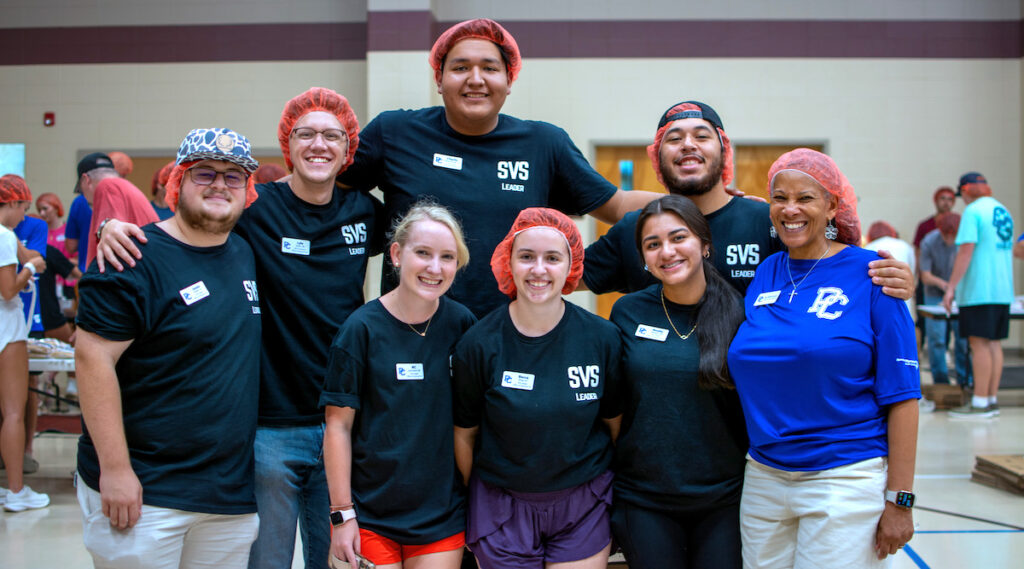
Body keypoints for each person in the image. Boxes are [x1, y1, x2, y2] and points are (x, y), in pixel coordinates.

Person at [97, 87, 383, 569]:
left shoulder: (365, 213)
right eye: (305, 134)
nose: (319, 144)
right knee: (265, 561)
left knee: (339, 560)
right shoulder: (254, 207)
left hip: (342, 420)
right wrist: (115, 226)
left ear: (348, 148)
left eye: (332, 135)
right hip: (269, 426)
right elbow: (191, 223)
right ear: (286, 144)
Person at [338, 18, 660, 317]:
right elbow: (327, 190)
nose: (475, 79)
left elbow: (616, 204)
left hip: (509, 340)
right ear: (439, 78)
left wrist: (695, 207)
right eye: (460, 67)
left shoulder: (543, 144)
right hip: (412, 338)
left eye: (489, 68)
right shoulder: (394, 132)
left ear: (509, 80)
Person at [74, 127, 262, 567]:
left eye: (234, 176)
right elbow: (92, 358)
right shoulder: (130, 257)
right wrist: (116, 470)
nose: (220, 184)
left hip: (227, 495)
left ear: (247, 190)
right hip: (146, 490)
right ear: (178, 181)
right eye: (205, 173)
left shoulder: (245, 253)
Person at [728, 149, 920, 567]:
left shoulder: (874, 274)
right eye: (780, 198)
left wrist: (900, 501)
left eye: (806, 198)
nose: (790, 209)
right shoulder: (768, 271)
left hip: (844, 476)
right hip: (764, 476)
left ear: (833, 205)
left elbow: (904, 396)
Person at [584, 101, 915, 299]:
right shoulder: (633, 230)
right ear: (657, 157)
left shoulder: (769, 221)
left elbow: (835, 270)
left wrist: (889, 280)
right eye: (674, 139)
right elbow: (553, 277)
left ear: (724, 151)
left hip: (755, 412)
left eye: (701, 135)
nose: (688, 145)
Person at [452, 208, 623, 569]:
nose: (539, 270)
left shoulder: (602, 338)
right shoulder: (478, 344)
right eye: (527, 257)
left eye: (552, 258)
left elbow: (614, 425)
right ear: (508, 262)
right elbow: (465, 435)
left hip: (583, 504)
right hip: (503, 507)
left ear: (571, 265)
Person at [323, 202, 475, 569]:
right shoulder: (360, 330)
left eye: (447, 257)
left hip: (441, 515)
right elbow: (338, 427)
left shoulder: (463, 326)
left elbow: (473, 425)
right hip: (371, 515)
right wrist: (342, 516)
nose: (434, 268)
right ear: (396, 254)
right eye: (422, 253)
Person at [608, 195, 746, 569]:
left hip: (724, 498)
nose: (666, 251)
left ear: (704, 244)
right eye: (653, 245)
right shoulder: (627, 312)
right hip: (644, 498)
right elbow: (614, 405)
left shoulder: (741, 314)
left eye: (678, 237)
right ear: (644, 259)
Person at [942, 172, 1014, 419]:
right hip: (1003, 290)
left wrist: (951, 287)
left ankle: (980, 402)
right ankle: (991, 398)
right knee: (994, 344)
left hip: (980, 290)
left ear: (967, 189)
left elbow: (966, 251)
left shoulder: (973, 212)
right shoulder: (1003, 210)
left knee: (979, 344)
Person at [0, 175, 48, 512]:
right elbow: (8, 289)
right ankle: (16, 491)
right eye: (24, 209)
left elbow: (19, 248)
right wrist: (30, 267)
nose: (25, 217)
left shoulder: (8, 238)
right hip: (7, 329)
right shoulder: (3, 236)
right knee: (14, 412)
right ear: (13, 203)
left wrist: (24, 253)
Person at [76, 152, 158, 267]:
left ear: (86, 180)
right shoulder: (126, 187)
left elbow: (113, 240)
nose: (83, 196)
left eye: (80, 190)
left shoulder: (107, 186)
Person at [919, 213, 970, 387]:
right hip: (934, 293)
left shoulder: (965, 241)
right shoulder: (929, 241)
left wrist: (953, 288)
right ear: (940, 230)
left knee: (963, 339)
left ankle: (965, 381)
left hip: (960, 294)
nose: (950, 239)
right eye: (946, 235)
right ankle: (941, 383)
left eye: (953, 235)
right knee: (937, 339)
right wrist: (946, 286)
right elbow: (925, 276)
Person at [864, 221, 915, 311]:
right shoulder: (905, 246)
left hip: (878, 304)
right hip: (904, 301)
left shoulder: (868, 248)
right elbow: (912, 274)